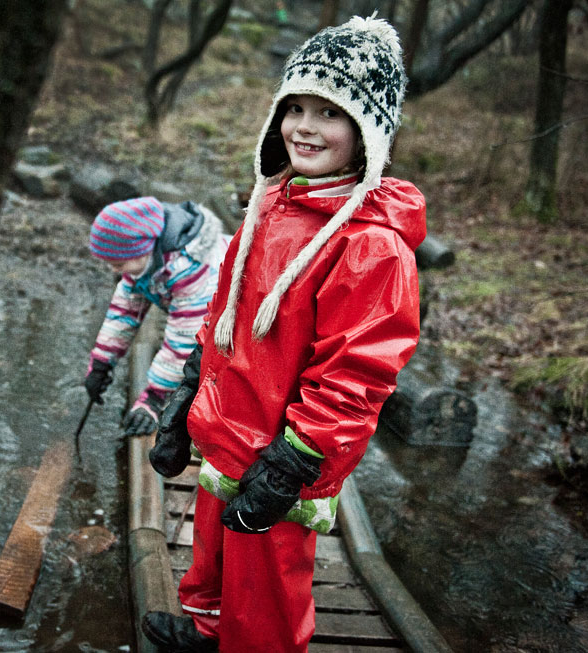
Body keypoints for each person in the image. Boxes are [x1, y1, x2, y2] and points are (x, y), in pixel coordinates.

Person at [143, 16, 426, 653]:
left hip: (282, 450)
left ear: (369, 132)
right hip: (229, 426)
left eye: (329, 113)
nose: (303, 126)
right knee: (212, 553)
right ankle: (208, 628)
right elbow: (227, 312)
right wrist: (188, 391)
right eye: (294, 107)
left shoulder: (372, 247)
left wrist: (294, 462)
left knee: (265, 587)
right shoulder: (272, 201)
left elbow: (357, 376)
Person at [83, 196, 230, 438]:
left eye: (118, 264)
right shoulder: (148, 260)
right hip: (201, 312)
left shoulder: (192, 270)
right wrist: (101, 362)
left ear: (144, 249)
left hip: (240, 319)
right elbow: (124, 312)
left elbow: (182, 343)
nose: (113, 270)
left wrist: (153, 398)